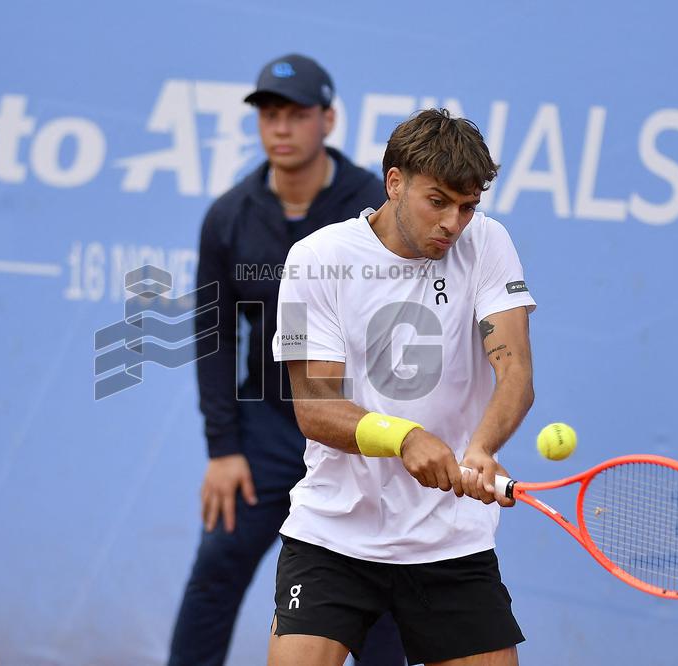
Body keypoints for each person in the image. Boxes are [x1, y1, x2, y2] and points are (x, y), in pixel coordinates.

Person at [268, 108, 537, 666]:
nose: (453, 224)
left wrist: (482, 447)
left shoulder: (487, 244)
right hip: (334, 535)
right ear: (395, 183)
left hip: (450, 541)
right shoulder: (315, 259)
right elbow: (314, 408)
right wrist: (405, 437)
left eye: (467, 207)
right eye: (437, 201)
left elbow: (514, 373)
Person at [168, 55, 406, 665]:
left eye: (297, 114)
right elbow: (214, 334)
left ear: (327, 119)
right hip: (269, 430)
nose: (281, 128)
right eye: (270, 115)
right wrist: (223, 449)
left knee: (376, 597)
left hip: (359, 429)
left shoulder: (376, 208)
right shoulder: (230, 216)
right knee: (216, 565)